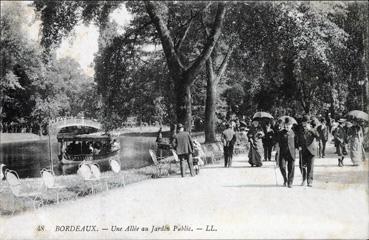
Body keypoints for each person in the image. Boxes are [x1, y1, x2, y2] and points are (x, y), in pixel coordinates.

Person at [297, 116, 320, 187]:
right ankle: (304, 179)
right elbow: (297, 139)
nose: (304, 124)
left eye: (306, 122)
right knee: (301, 165)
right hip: (303, 150)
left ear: (309, 123)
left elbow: (318, 136)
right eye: (303, 122)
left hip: (311, 150)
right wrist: (298, 145)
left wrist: (310, 129)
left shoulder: (313, 129)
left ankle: (309, 181)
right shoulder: (299, 130)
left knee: (310, 166)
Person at [275, 118, 297, 188]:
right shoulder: (280, 133)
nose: (287, 127)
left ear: (291, 125)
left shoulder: (294, 133)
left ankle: (290, 182)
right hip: (283, 153)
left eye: (289, 125)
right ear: (284, 125)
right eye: (286, 125)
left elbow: (297, 142)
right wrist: (277, 148)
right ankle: (285, 179)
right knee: (282, 167)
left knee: (291, 168)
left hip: (291, 153)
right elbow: (277, 141)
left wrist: (299, 147)